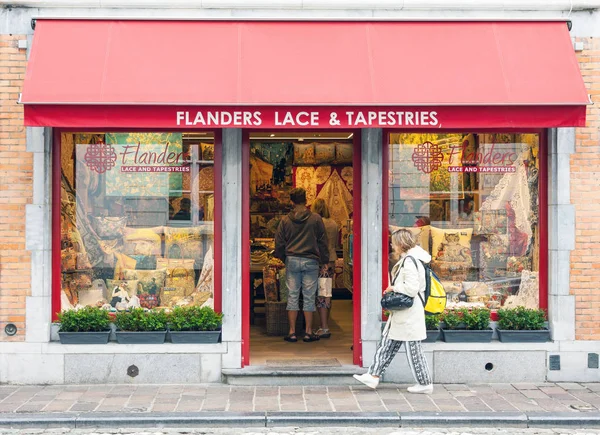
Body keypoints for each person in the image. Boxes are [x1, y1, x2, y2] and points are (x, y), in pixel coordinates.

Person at [353, 228, 434, 394]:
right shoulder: (412, 259)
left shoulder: (410, 261)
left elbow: (411, 289)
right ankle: (373, 375)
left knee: (414, 349)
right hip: (405, 313)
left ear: (400, 243)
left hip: (409, 313)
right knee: (388, 343)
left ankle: (425, 383)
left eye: (393, 242)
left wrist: (393, 287)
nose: (391, 245)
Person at [274, 188, 330, 343]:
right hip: (311, 261)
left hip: (292, 260)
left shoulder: (285, 220)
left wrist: (284, 257)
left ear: (291, 201)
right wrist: (324, 261)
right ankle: (308, 332)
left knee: (292, 295)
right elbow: (322, 242)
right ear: (306, 201)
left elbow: (279, 243)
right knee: (309, 296)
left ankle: (292, 332)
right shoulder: (316, 219)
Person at [311, 198, 338, 339]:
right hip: (332, 260)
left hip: (321, 262)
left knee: (321, 293)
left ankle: (323, 327)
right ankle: (325, 323)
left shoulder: (316, 223)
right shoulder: (333, 223)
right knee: (327, 292)